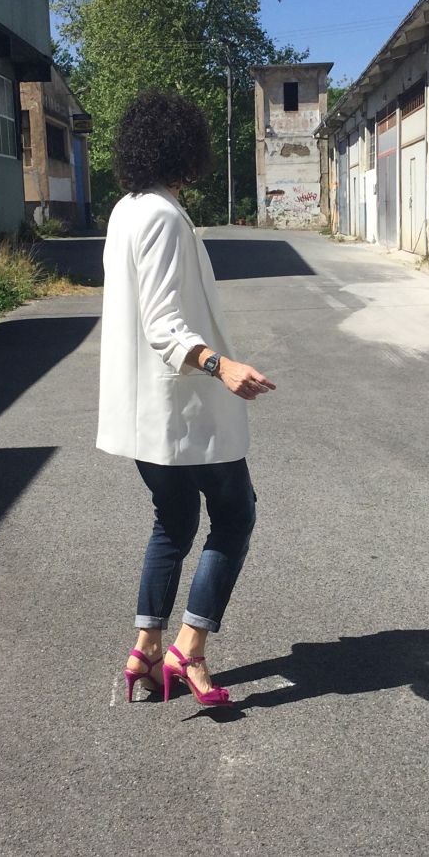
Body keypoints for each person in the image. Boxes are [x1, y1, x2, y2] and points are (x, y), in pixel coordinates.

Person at [97, 90, 275, 707]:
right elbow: (164, 324)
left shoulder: (126, 209)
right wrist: (220, 365)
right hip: (185, 410)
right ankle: (188, 648)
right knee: (235, 516)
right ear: (186, 149)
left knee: (172, 523)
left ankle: (145, 650)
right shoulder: (166, 218)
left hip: (147, 414)